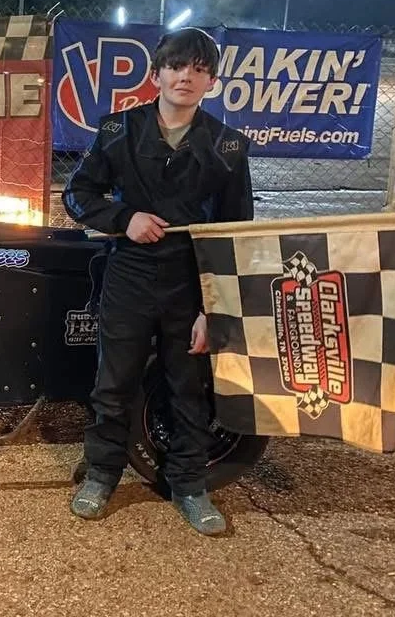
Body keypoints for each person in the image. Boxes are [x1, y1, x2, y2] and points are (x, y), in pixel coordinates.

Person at [62, 27, 253, 535]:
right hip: (127, 274)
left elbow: (236, 234)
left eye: (198, 69)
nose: (185, 76)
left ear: (211, 81)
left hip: (190, 284)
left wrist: (213, 308)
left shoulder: (229, 147)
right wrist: (124, 218)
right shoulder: (116, 131)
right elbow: (77, 195)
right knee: (113, 383)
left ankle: (189, 486)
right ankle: (101, 474)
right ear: (156, 75)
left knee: (187, 387)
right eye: (175, 66)